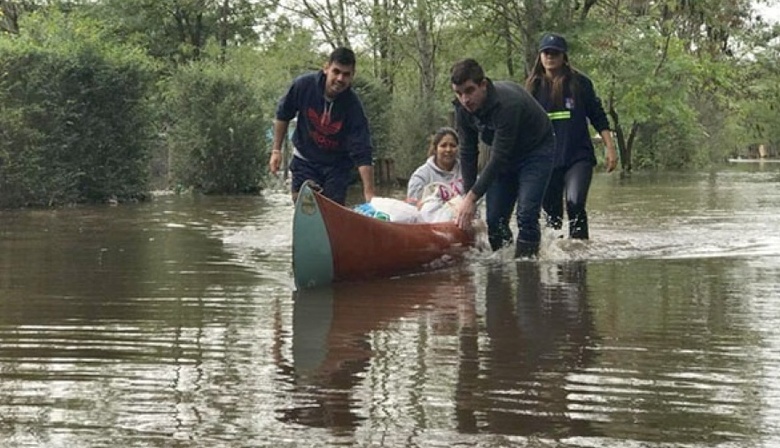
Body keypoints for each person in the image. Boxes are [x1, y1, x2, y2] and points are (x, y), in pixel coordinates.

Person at [450, 58, 555, 258]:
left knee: (526, 214)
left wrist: (473, 197)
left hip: (536, 151)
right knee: (495, 219)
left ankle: (527, 267)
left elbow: (498, 158)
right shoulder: (462, 110)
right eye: (459, 93)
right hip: (504, 156)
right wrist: (467, 197)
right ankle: (502, 266)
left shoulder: (508, 104)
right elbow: (468, 152)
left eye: (470, 91)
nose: (465, 99)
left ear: (483, 85)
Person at [525, 33, 618, 239]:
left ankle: (579, 256)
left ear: (564, 56)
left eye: (555, 53)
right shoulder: (532, 87)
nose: (551, 57)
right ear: (540, 56)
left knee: (575, 203)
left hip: (578, 157)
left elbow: (598, 115)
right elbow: (524, 125)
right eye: (547, 53)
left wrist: (610, 148)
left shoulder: (580, 83)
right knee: (552, 216)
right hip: (546, 160)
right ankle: (555, 259)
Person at [268, 47, 375, 205]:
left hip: (337, 167)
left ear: (352, 76)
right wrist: (276, 150)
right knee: (304, 203)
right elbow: (283, 114)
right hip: (305, 159)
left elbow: (362, 150)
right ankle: (306, 199)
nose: (340, 78)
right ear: (326, 68)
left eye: (346, 74)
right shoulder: (303, 86)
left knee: (331, 210)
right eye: (336, 71)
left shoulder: (353, 106)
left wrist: (369, 193)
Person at [406, 127, 464, 204]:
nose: (448, 149)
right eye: (443, 145)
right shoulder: (421, 176)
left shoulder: (466, 172)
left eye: (452, 145)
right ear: (435, 149)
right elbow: (413, 206)